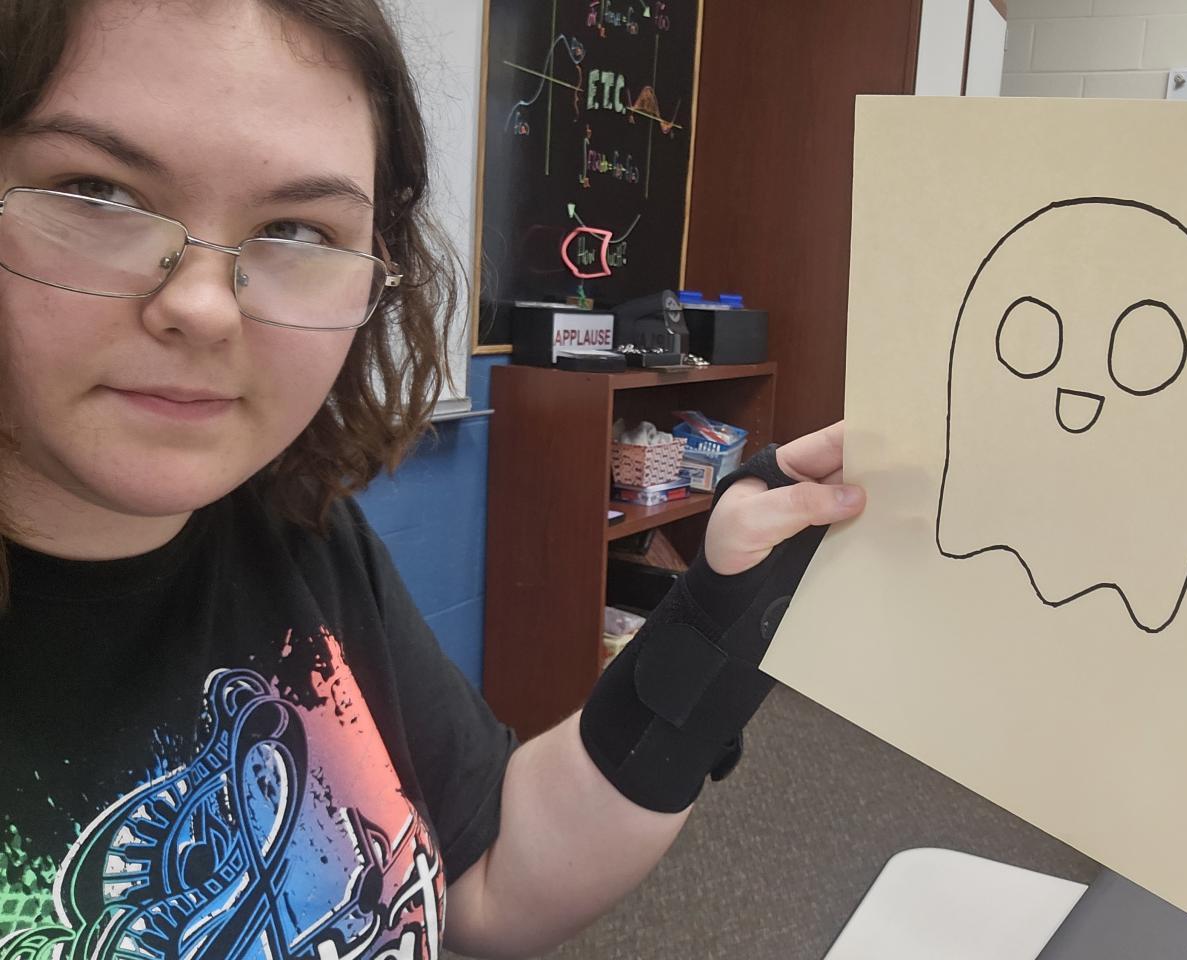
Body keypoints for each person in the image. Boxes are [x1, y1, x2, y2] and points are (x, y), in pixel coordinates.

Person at [0, 1, 866, 957]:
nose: (204, 307)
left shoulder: (301, 535)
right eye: (97, 193)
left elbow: (493, 874)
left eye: (297, 229)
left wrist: (715, 622)